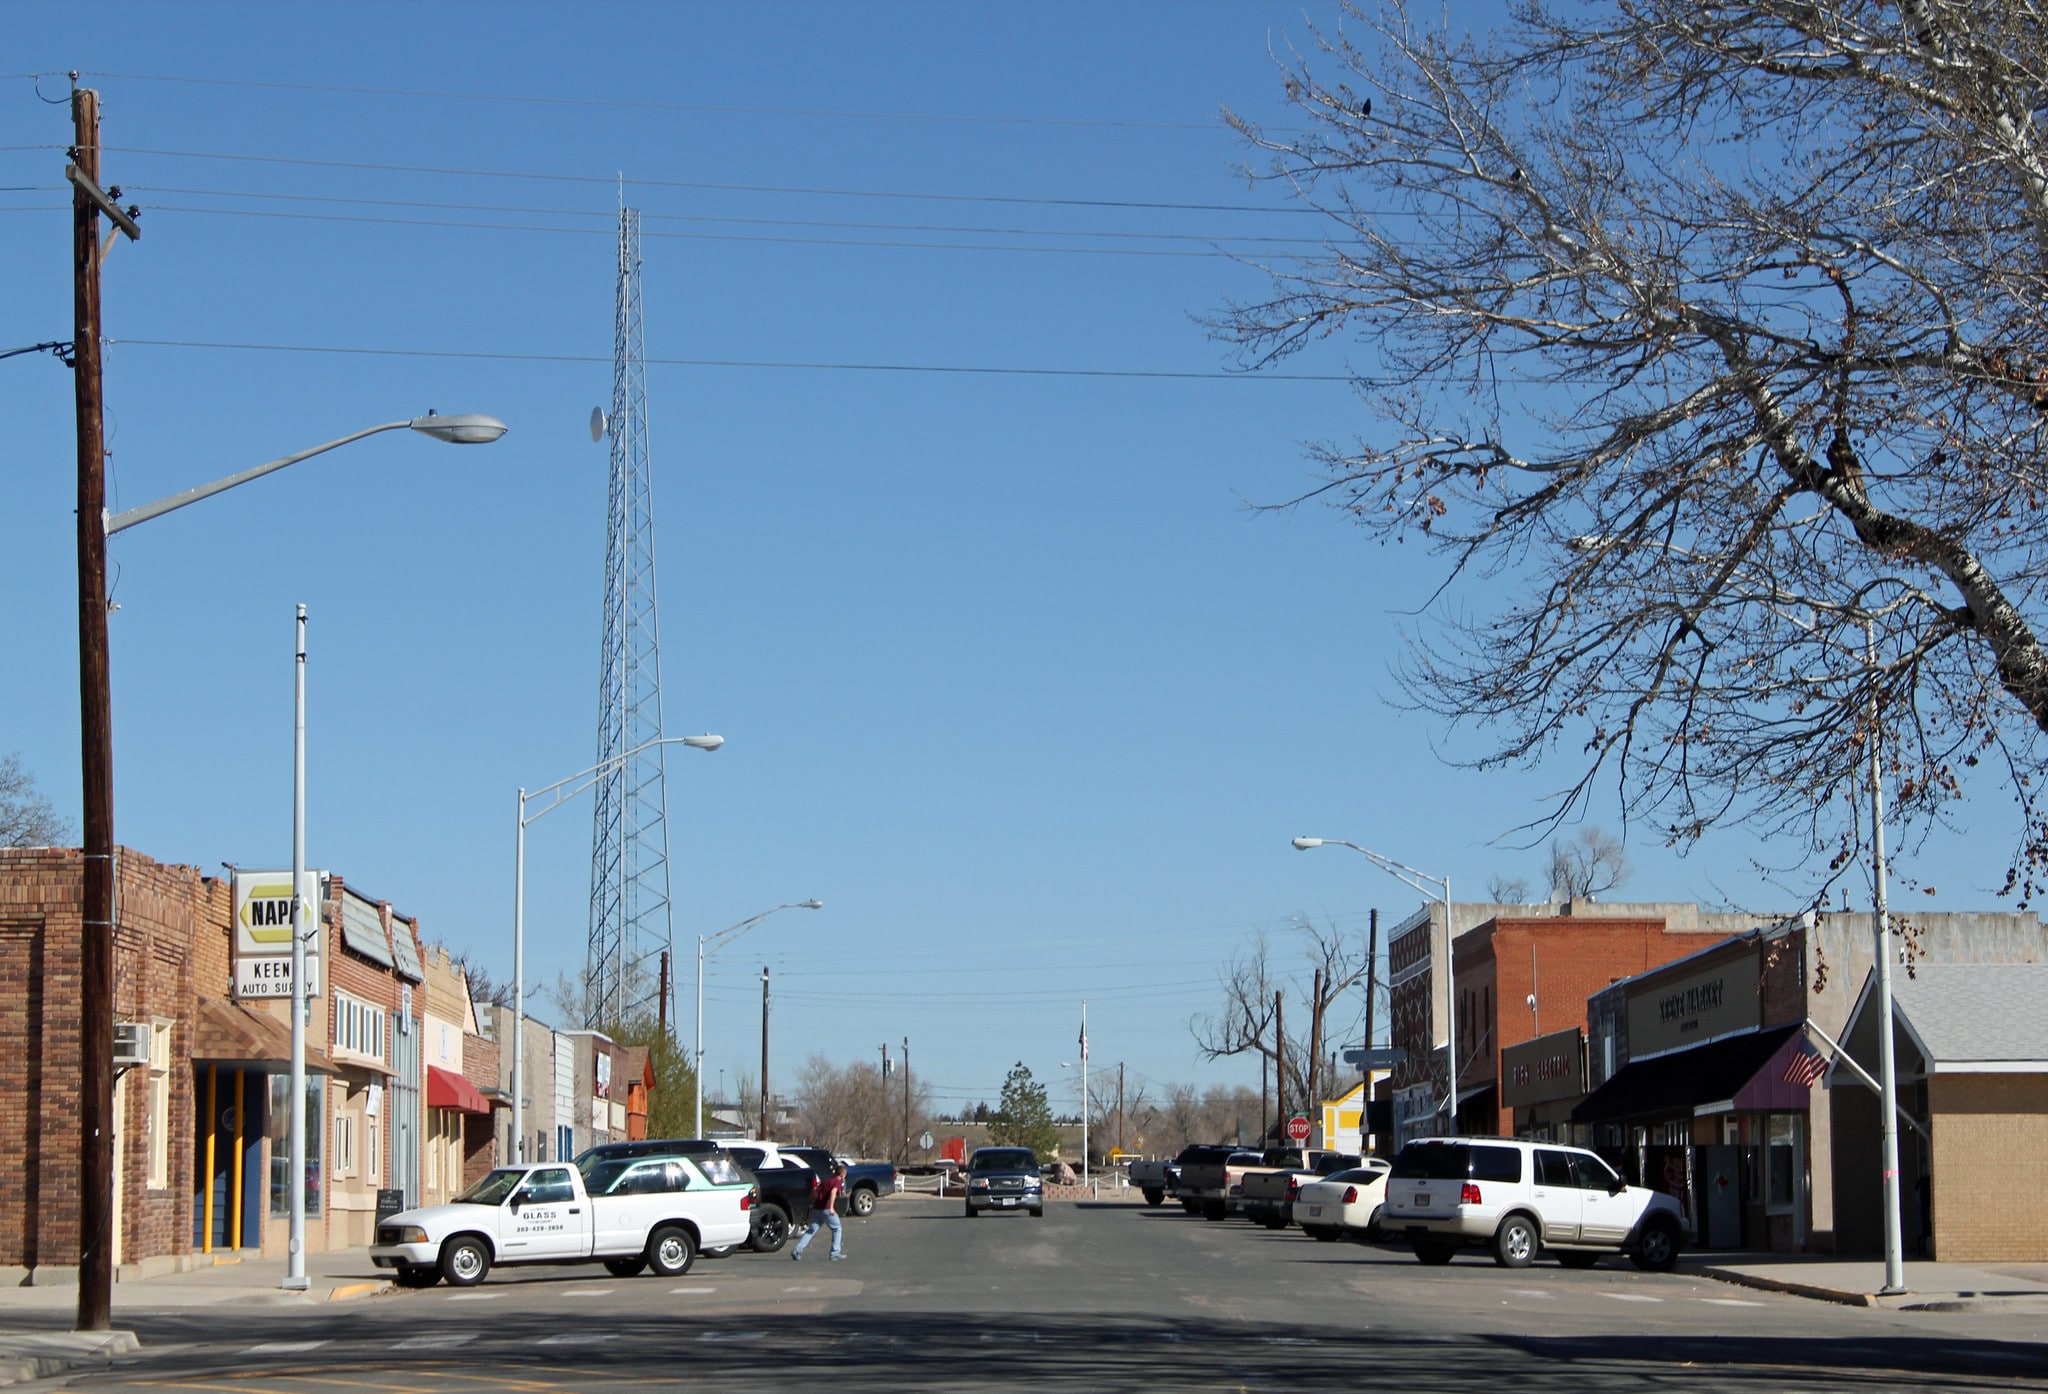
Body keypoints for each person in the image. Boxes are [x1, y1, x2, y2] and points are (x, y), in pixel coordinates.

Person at [791, 1160, 846, 1262]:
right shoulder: (837, 1182)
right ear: (842, 1174)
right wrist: (831, 1207)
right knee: (837, 1228)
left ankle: (797, 1250)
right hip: (826, 1209)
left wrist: (815, 1200)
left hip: (817, 1208)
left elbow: (815, 1190)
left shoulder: (827, 1181)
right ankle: (835, 1253)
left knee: (811, 1230)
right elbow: (833, 1192)